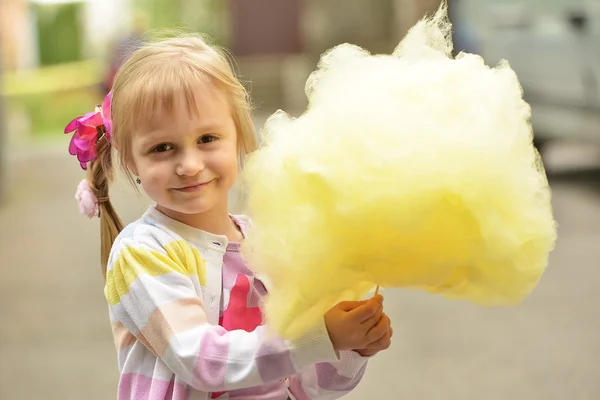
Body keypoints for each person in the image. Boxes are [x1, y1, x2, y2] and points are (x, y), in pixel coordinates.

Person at [66, 35, 393, 400]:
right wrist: (320, 336)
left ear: (239, 137)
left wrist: (350, 346)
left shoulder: (266, 245)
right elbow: (200, 361)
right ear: (130, 161)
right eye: (162, 148)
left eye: (207, 138)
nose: (189, 165)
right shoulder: (141, 253)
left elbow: (309, 384)